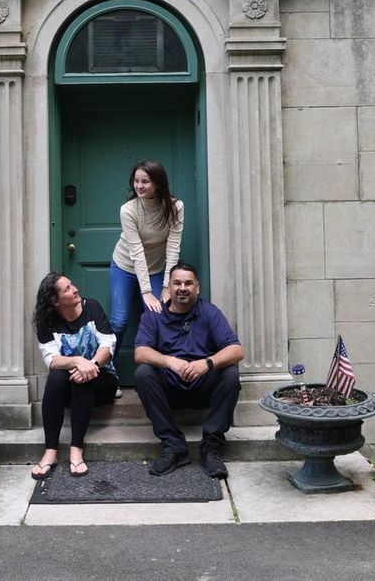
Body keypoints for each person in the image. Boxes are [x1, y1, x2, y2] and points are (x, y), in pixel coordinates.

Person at [133, 262, 242, 479]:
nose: (183, 287)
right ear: (169, 288)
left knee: (230, 374)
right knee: (143, 373)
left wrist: (206, 363)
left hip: (202, 388)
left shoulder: (210, 312)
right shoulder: (153, 315)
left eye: (188, 283)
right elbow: (140, 353)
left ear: (197, 288)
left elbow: (236, 350)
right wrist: (169, 361)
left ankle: (211, 448)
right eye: (177, 283)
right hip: (169, 391)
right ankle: (174, 448)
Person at [30, 272, 119, 479]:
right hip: (69, 383)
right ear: (55, 301)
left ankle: (76, 448)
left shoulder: (92, 308)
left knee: (83, 378)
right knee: (56, 377)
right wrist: (79, 361)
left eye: (72, 284)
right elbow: (52, 360)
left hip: (102, 380)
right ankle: (50, 450)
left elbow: (108, 345)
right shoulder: (47, 322)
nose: (75, 289)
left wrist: (92, 365)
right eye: (67, 289)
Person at [109, 159, 184, 398]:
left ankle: (158, 379)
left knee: (157, 317)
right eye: (136, 181)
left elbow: (173, 247)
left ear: (158, 183)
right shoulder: (128, 210)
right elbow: (136, 251)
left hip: (156, 269)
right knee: (119, 321)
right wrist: (146, 291)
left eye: (145, 181)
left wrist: (166, 287)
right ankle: (107, 374)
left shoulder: (175, 206)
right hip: (124, 265)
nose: (139, 186)